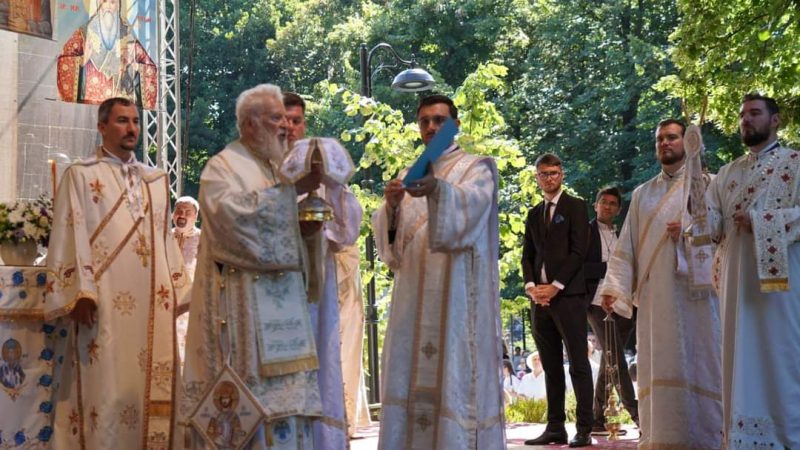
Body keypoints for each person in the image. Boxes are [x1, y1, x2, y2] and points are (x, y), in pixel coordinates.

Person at [177, 84, 332, 448]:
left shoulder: (275, 170)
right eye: (275, 118)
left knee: (289, 407)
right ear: (249, 125)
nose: (285, 127)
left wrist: (304, 229)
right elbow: (233, 221)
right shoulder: (223, 167)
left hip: (285, 321)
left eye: (286, 119)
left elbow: (283, 231)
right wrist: (291, 195)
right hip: (244, 322)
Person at [45, 97, 188, 449]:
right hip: (102, 301)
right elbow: (70, 231)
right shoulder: (81, 175)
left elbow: (163, 238)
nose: (132, 129)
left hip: (151, 303)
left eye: (136, 122)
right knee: (105, 387)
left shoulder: (155, 181)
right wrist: (80, 291)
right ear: (102, 126)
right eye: (122, 121)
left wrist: (180, 288)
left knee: (144, 384)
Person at [372, 94, 504, 449]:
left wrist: (439, 192)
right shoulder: (407, 174)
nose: (431, 127)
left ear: (455, 125)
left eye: (439, 120)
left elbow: (473, 209)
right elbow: (392, 253)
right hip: (412, 300)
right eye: (425, 121)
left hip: (456, 298)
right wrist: (392, 207)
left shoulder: (476, 167)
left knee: (452, 374)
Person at [600, 119, 722, 449]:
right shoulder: (642, 194)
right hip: (657, 299)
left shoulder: (709, 186)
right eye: (659, 139)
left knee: (702, 360)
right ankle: (662, 439)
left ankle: (706, 438)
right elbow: (626, 247)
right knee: (660, 362)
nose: (664, 144)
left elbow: (724, 239)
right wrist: (615, 287)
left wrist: (690, 236)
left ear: (688, 142)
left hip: (698, 297)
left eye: (671, 137)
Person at [706, 93, 800, 449]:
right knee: (739, 359)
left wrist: (762, 221)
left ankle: (788, 437)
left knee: (782, 356)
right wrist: (698, 205)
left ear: (775, 120)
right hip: (736, 284)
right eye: (743, 114)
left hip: (782, 289)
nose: (747, 119)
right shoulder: (728, 173)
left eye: (755, 113)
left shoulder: (796, 164)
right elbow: (711, 227)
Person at [282, 91, 364, 445]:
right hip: (276, 280)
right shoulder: (259, 166)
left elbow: (346, 232)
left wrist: (330, 186)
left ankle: (320, 439)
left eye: (296, 121)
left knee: (319, 356)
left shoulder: (319, 164)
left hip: (317, 277)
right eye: (282, 120)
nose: (289, 127)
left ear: (304, 124)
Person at [521, 153, 592, 447]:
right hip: (540, 303)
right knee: (550, 366)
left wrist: (556, 286)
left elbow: (579, 252)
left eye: (553, 172)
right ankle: (555, 427)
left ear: (562, 174)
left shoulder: (576, 207)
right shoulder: (534, 214)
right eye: (543, 174)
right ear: (537, 178)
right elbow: (528, 256)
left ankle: (585, 429)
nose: (548, 178)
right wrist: (531, 287)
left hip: (569, 298)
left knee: (578, 363)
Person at [584, 186, 638, 434]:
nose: (607, 206)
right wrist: (610, 269)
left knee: (609, 359)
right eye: (603, 202)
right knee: (616, 357)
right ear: (596, 205)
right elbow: (579, 267)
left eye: (612, 203)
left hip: (623, 303)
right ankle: (637, 414)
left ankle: (597, 418)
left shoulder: (624, 235)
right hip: (595, 302)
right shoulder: (585, 232)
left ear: (618, 210)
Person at [57, 0, 157, 109]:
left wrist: (135, 65)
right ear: (98, 4)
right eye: (105, 2)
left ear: (118, 6)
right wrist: (82, 60)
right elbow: (63, 61)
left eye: (113, 2)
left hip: (120, 105)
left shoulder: (128, 36)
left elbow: (150, 67)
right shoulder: (83, 33)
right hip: (89, 102)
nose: (109, 7)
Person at [171, 195, 201, 366]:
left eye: (187, 212)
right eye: (178, 211)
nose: (182, 215)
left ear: (195, 216)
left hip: (192, 301)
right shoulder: (163, 236)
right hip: (165, 299)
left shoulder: (203, 239)